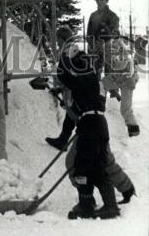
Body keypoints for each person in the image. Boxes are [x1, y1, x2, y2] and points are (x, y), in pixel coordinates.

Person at [55, 35, 128, 219]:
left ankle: (86, 204)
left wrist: (63, 57)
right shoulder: (94, 79)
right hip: (99, 124)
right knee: (97, 165)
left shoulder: (81, 77)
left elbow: (63, 75)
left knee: (81, 165)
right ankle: (109, 206)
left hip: (90, 125)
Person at [102, 35, 140, 137]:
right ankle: (98, 106)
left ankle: (133, 128)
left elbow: (121, 64)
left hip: (127, 80)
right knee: (101, 85)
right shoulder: (115, 44)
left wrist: (112, 61)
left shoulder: (116, 45)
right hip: (122, 77)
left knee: (125, 109)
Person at [86, 0, 120, 73]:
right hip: (95, 51)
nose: (99, 2)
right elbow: (89, 35)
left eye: (101, 0)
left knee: (109, 77)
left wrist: (106, 41)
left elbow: (115, 35)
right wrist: (92, 46)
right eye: (97, 0)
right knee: (95, 76)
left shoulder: (113, 16)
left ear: (106, 0)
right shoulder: (93, 16)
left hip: (109, 51)